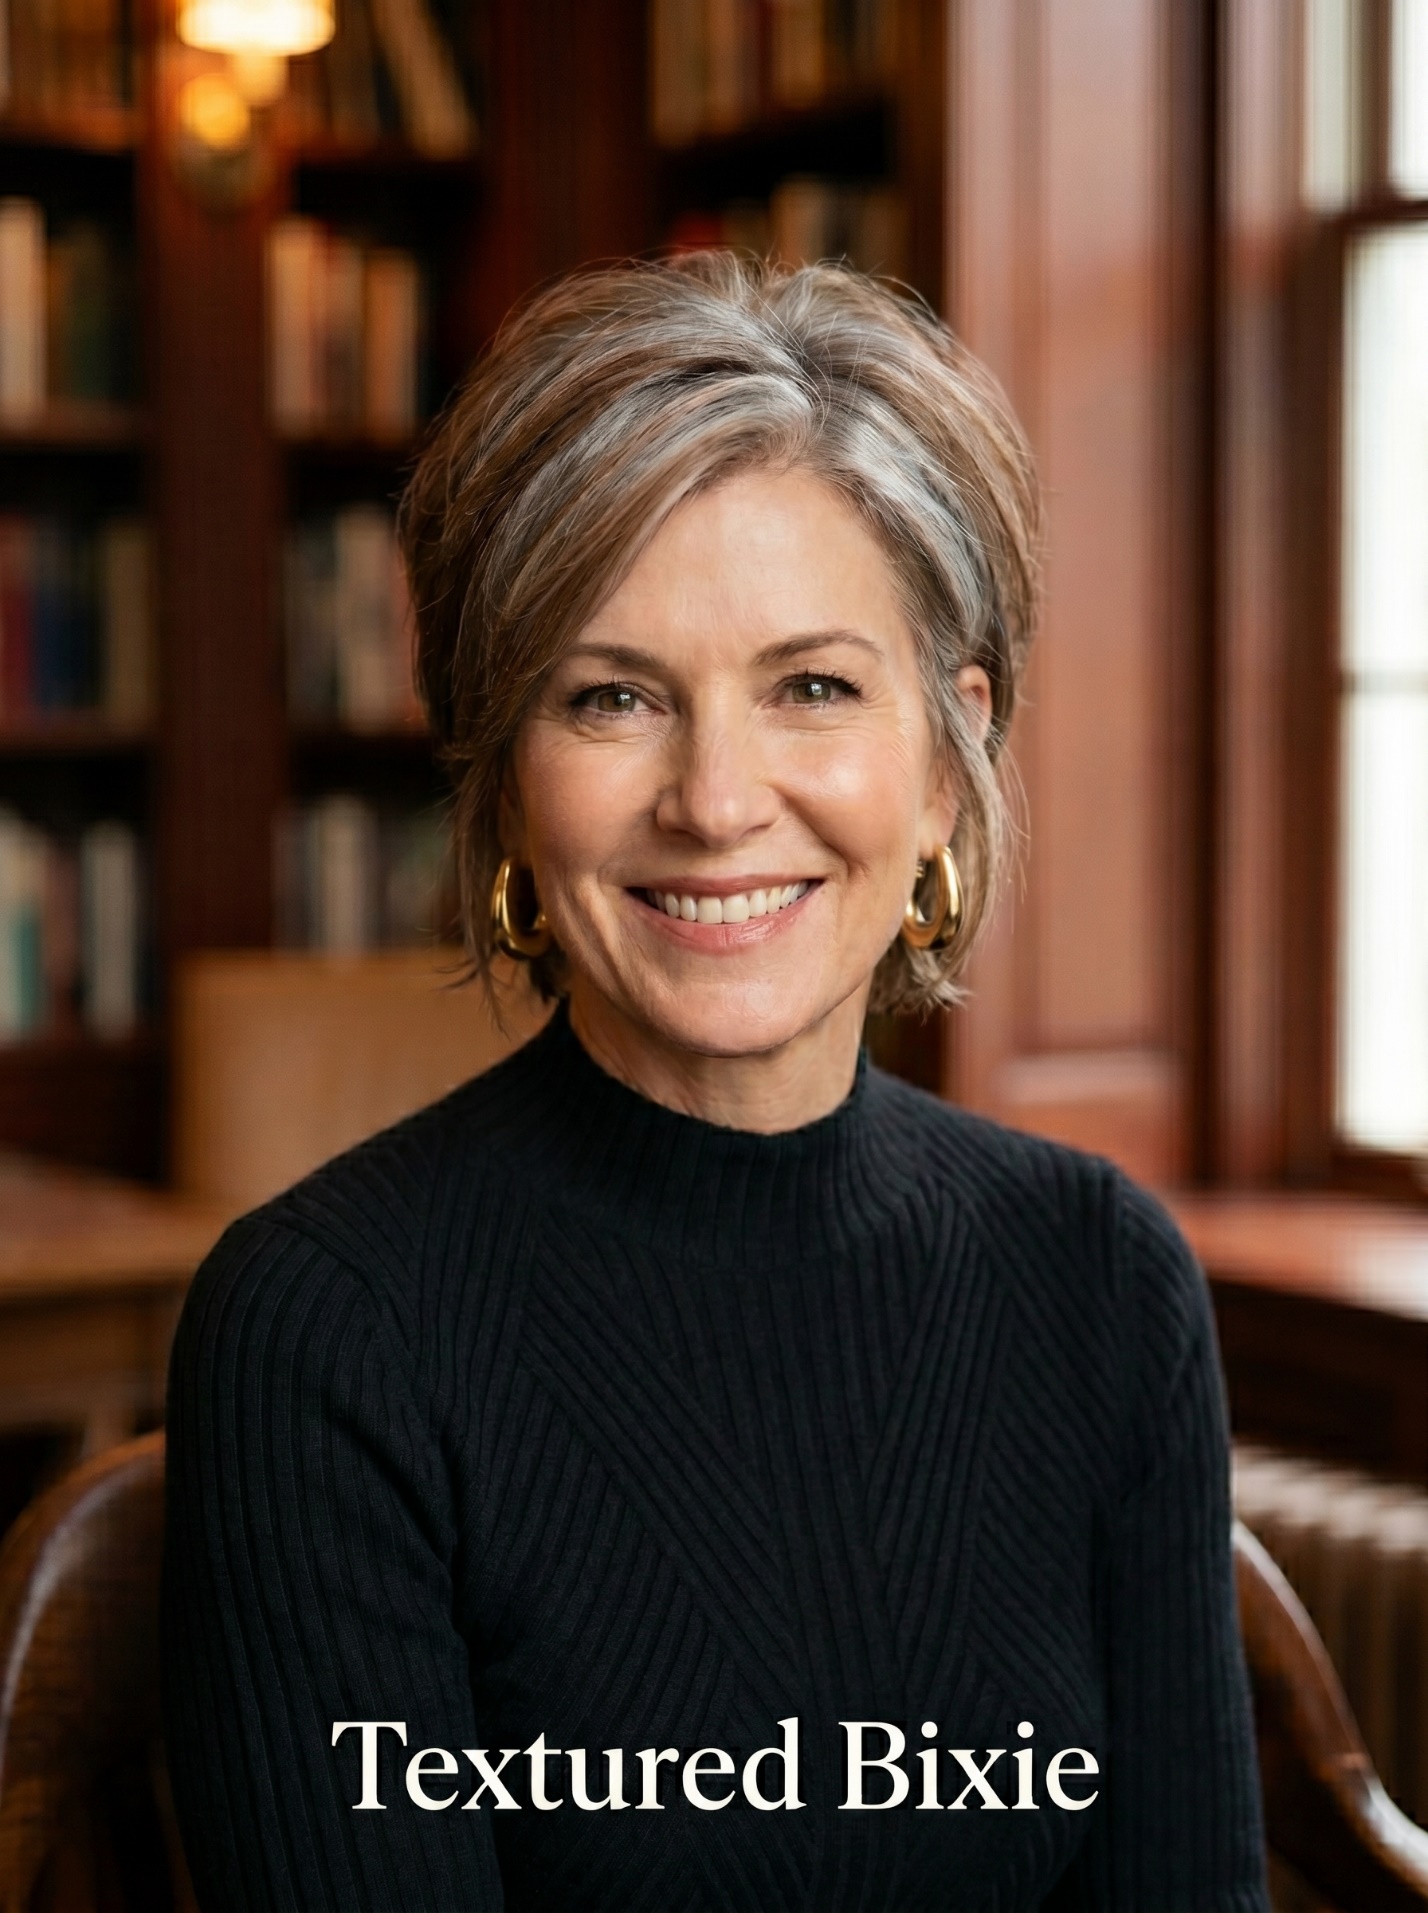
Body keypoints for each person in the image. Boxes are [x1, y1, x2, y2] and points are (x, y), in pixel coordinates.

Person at [161, 254, 1269, 1912]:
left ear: (948, 756)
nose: (716, 799)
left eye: (812, 686)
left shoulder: (1100, 1278)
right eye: (611, 697)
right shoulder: (324, 1329)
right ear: (507, 779)